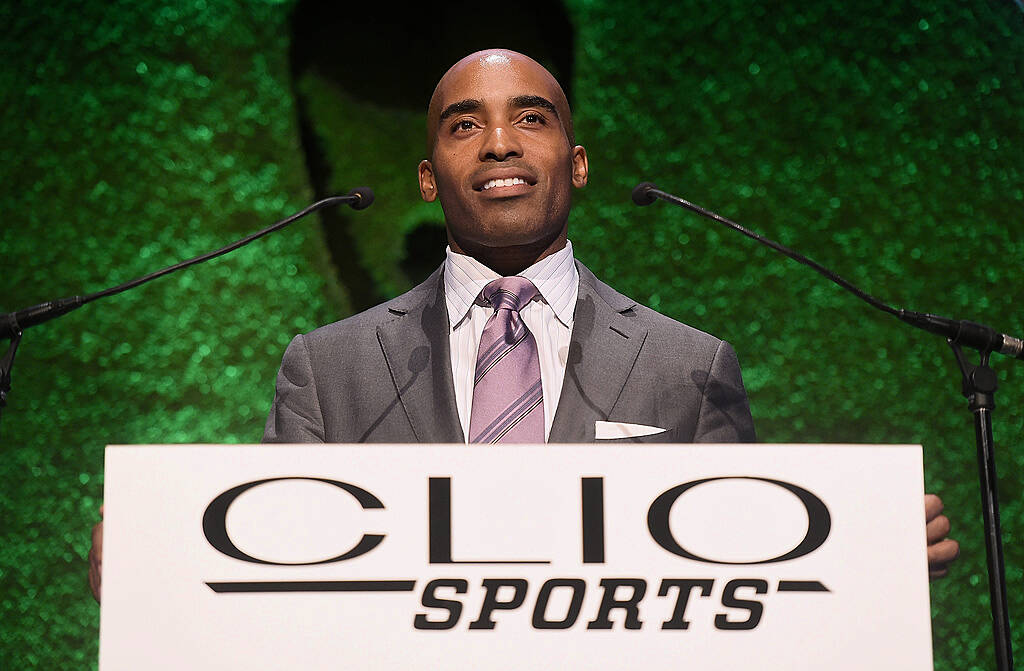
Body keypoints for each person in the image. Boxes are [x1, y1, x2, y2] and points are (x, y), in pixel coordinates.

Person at [88, 48, 958, 601]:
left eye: (530, 119)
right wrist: (159, 577)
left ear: (575, 165)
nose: (499, 143)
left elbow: (746, 587)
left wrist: (859, 570)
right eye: (465, 126)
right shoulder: (329, 369)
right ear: (430, 178)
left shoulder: (688, 366)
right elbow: (273, 580)